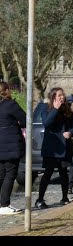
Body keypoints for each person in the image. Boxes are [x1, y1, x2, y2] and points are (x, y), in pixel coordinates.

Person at [35, 87, 73, 209]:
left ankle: (64, 197)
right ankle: (40, 199)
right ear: (53, 97)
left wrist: (70, 133)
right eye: (59, 95)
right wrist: (55, 109)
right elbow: (47, 123)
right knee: (48, 172)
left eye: (63, 95)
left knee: (64, 172)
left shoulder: (67, 108)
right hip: (52, 147)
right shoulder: (45, 108)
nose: (62, 97)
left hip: (64, 146)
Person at [0, 81, 26, 214]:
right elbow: (25, 119)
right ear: (7, 90)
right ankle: (4, 205)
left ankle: (2, 204)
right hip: (10, 146)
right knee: (10, 174)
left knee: (2, 174)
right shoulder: (10, 105)